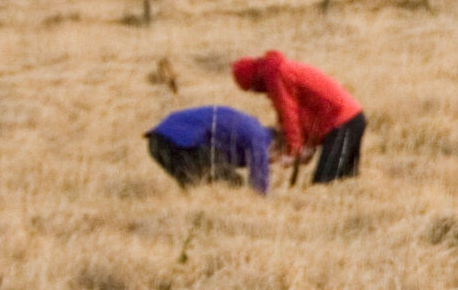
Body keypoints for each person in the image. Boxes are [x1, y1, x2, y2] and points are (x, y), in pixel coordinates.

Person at [231, 51, 366, 183]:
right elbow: (306, 114)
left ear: (255, 80)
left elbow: (290, 115)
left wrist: (294, 152)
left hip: (343, 122)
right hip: (350, 118)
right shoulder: (279, 70)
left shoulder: (277, 76)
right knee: (344, 181)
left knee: (324, 183)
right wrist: (307, 145)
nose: (256, 92)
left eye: (252, 88)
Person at [144, 104, 274, 193]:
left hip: (156, 142)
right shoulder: (260, 137)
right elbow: (259, 184)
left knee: (195, 185)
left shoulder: (249, 128)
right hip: (177, 141)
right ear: (278, 146)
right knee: (234, 182)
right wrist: (262, 207)